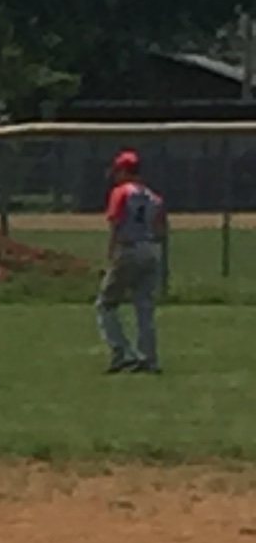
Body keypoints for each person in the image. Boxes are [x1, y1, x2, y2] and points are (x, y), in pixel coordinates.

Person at [98, 148, 167, 374]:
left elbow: (116, 225)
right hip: (151, 249)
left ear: (125, 171)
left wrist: (112, 254)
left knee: (106, 304)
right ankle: (149, 358)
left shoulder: (121, 192)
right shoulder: (154, 197)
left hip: (128, 249)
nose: (115, 175)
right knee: (144, 307)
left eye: (118, 170)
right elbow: (160, 229)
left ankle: (122, 353)